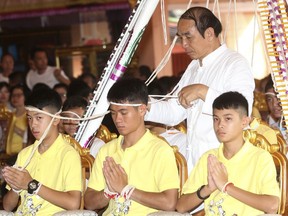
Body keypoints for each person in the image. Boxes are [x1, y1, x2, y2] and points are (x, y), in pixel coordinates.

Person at [145, 6, 255, 172]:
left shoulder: (235, 63)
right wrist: (142, 105)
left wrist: (203, 92)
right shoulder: (194, 67)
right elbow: (174, 112)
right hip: (196, 160)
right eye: (181, 38)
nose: (184, 44)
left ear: (209, 34)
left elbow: (242, 109)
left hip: (225, 162)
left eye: (188, 37)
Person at [84, 78, 179, 215]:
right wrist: (108, 192)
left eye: (123, 113)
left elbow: (169, 203)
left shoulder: (160, 150)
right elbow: (89, 202)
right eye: (113, 113)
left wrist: (126, 189)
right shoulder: (106, 150)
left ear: (142, 110)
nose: (117, 119)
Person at [176, 91, 279, 215]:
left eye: (228, 119)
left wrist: (226, 186)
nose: (220, 125)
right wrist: (208, 189)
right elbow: (181, 207)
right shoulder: (210, 158)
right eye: (216, 119)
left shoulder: (260, 157)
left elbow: (272, 206)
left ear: (244, 122)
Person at [2, 88, 82, 215]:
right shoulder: (25, 154)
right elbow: (7, 206)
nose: (33, 124)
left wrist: (31, 184)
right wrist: (16, 188)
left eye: (39, 118)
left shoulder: (68, 154)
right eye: (29, 118)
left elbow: (73, 203)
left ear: (56, 119)